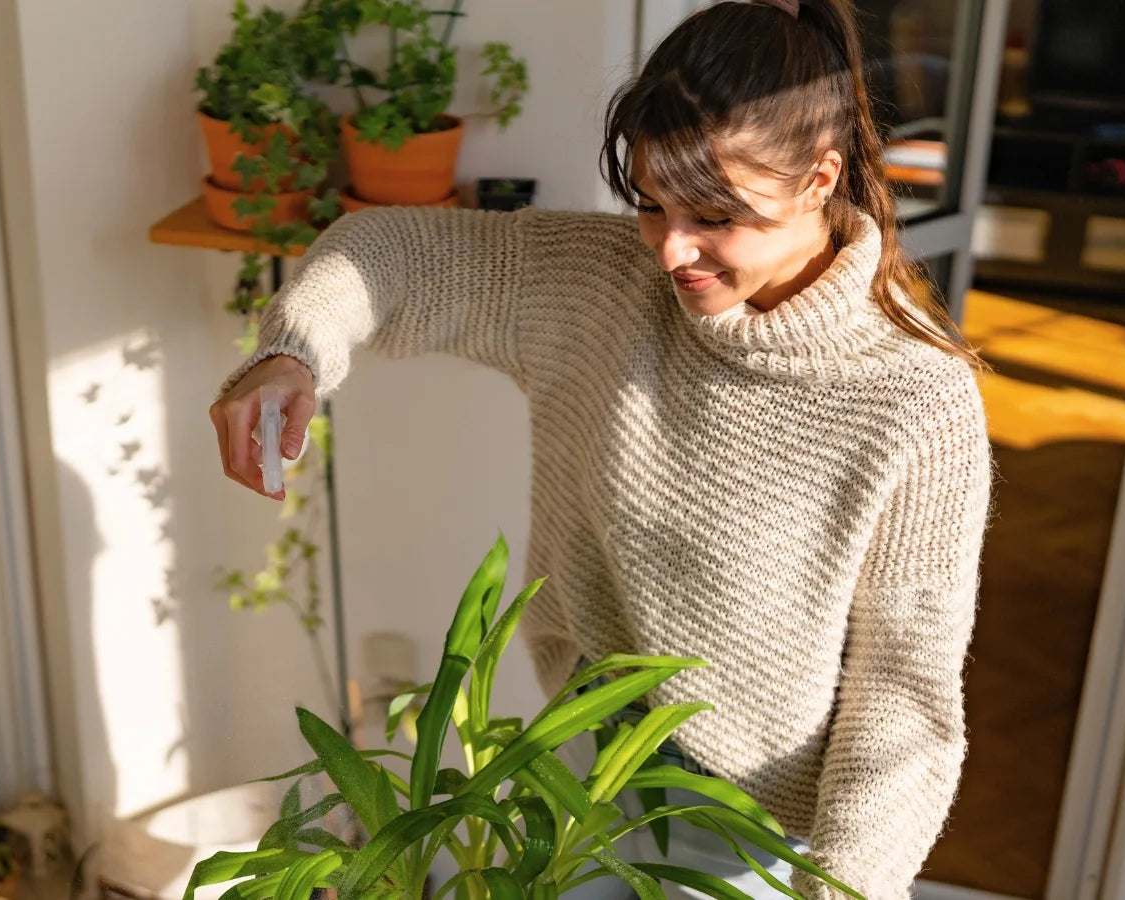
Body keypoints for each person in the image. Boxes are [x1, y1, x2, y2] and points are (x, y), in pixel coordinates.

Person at [209, 1, 992, 897]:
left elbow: (903, 697)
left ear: (820, 178)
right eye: (653, 205)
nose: (671, 250)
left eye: (714, 215)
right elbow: (387, 249)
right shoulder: (600, 283)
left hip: (761, 832)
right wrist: (291, 351)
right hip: (573, 762)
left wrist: (847, 886)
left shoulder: (913, 400)